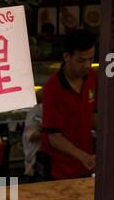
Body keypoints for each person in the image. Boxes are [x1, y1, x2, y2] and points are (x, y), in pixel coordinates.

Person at [40, 29, 98, 180]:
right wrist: (83, 156)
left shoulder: (92, 77)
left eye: (91, 59)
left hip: (87, 164)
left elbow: (93, 115)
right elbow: (54, 137)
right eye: (81, 60)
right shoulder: (53, 87)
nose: (87, 65)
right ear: (67, 56)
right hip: (59, 168)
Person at [22, 89, 42, 181]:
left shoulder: (33, 111)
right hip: (37, 159)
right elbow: (32, 136)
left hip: (32, 157)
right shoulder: (39, 110)